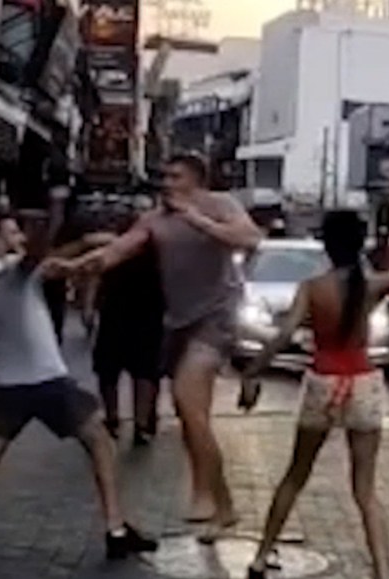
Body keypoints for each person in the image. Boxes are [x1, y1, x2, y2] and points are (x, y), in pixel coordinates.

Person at [61, 153, 262, 538]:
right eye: (164, 176)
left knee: (187, 400)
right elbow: (118, 250)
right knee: (191, 414)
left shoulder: (220, 205)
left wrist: (196, 219)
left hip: (217, 315)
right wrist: (75, 267)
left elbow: (250, 238)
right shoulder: (154, 219)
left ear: (197, 181)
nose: (167, 184)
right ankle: (216, 501)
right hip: (178, 321)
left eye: (176, 177)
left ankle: (214, 501)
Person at [0, 215, 157, 560]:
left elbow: (49, 262)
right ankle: (115, 527)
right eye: (11, 232)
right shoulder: (6, 272)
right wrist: (61, 229)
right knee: (99, 440)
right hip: (46, 382)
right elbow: (39, 258)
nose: (18, 237)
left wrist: (84, 246)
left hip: (9, 386)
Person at [239, 210, 389, 579]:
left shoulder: (312, 286)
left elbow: (284, 334)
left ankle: (261, 557)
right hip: (364, 382)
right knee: (365, 490)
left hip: (323, 381)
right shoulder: (373, 285)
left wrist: (253, 372)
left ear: (326, 245)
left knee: (296, 474)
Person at [93, 196, 164, 445]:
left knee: (145, 370)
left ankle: (141, 424)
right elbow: (99, 271)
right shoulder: (117, 241)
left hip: (148, 312)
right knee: (109, 369)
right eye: (135, 210)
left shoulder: (160, 243)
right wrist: (90, 303)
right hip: (116, 310)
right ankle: (113, 418)